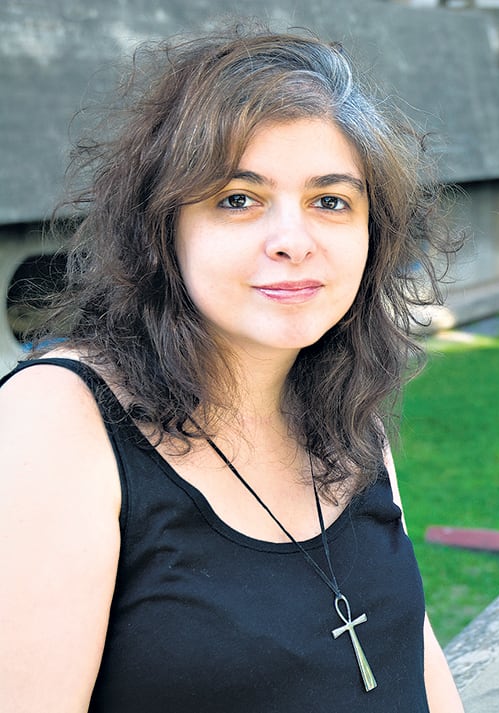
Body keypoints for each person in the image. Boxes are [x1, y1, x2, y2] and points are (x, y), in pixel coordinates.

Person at [0, 23, 464, 713]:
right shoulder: (58, 421)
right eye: (238, 199)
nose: (292, 241)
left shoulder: (347, 413)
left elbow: (416, 663)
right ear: (163, 226)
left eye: (330, 201)